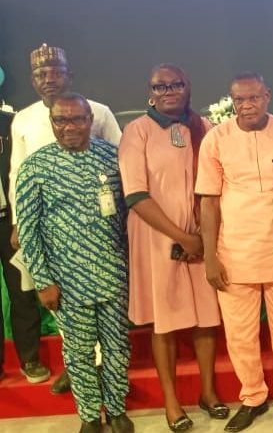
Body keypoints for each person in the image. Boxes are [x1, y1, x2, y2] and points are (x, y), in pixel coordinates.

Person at [195, 73, 273, 432]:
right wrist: (211, 257)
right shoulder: (216, 139)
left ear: (267, 96)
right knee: (240, 334)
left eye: (254, 98)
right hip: (234, 253)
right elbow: (208, 202)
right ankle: (252, 397)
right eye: (239, 100)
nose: (246, 106)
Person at [118, 64, 227, 431]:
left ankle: (208, 392)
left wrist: (202, 237)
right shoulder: (137, 131)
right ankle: (171, 402)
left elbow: (216, 182)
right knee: (164, 323)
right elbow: (135, 195)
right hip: (157, 237)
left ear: (187, 86)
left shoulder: (203, 127)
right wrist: (182, 237)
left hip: (201, 236)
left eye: (175, 84)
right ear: (150, 92)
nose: (168, 91)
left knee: (206, 317)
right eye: (159, 86)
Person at [16, 93, 132, 433]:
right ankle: (90, 417)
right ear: (52, 123)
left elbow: (129, 214)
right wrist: (43, 281)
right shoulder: (35, 167)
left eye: (77, 119)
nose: (69, 127)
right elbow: (28, 230)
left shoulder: (112, 157)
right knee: (79, 352)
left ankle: (117, 409)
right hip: (67, 282)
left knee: (117, 347)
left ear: (90, 121)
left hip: (113, 273)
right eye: (61, 120)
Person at [9, 43, 122, 393]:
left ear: (69, 75)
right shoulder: (23, 119)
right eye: (40, 74)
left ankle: (100, 368)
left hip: (98, 228)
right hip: (50, 228)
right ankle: (79, 363)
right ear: (33, 80)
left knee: (102, 300)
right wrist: (18, 220)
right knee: (62, 299)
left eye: (55, 72)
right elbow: (16, 171)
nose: (48, 79)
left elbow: (121, 159)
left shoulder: (98, 111)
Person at [0, 105, 49, 385]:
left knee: (22, 291)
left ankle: (30, 358)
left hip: (9, 221)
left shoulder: (11, 122)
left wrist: (20, 220)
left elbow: (19, 171)